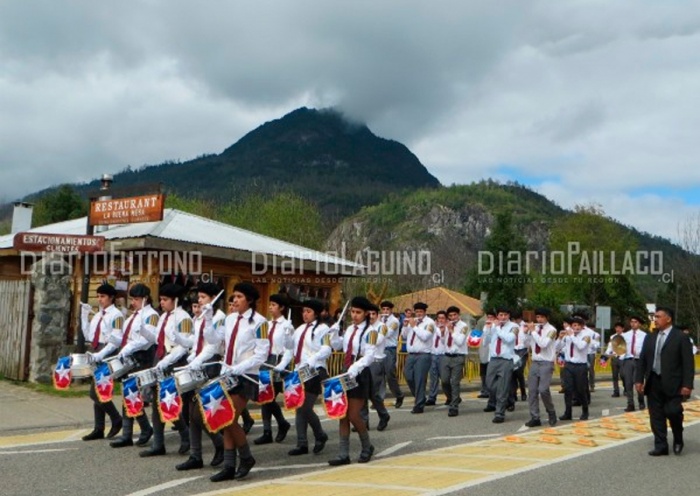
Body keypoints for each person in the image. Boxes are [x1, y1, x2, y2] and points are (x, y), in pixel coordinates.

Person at [205, 282, 269, 481]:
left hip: (247, 375)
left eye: (240, 296)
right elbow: (214, 339)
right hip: (228, 374)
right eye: (234, 297)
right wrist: (208, 318)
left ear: (249, 300)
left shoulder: (260, 322)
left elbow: (262, 354)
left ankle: (246, 457)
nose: (235, 300)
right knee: (225, 419)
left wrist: (239, 368)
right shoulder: (230, 318)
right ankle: (229, 466)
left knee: (229, 418)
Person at [176, 283, 226, 471]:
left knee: (200, 412)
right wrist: (179, 338)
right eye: (199, 297)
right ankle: (195, 455)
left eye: (203, 297)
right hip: (197, 363)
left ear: (213, 298)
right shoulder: (199, 318)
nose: (199, 300)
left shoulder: (220, 318)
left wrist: (196, 361)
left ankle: (220, 443)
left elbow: (213, 345)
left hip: (210, 364)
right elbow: (195, 341)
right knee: (191, 411)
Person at [140, 283, 193, 457]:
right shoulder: (164, 317)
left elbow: (183, 346)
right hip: (160, 358)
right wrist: (143, 330)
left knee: (169, 400)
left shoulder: (184, 318)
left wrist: (167, 361)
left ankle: (185, 434)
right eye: (161, 299)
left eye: (165, 300)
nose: (162, 303)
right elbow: (157, 339)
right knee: (156, 402)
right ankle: (158, 444)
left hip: (174, 361)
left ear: (175, 300)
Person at [635, 306, 694, 456]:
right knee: (656, 415)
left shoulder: (681, 337)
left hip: (673, 383)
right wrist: (639, 380)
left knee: (673, 411)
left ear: (668, 319)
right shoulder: (650, 337)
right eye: (654, 317)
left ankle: (678, 438)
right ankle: (661, 445)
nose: (655, 319)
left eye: (658, 317)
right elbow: (642, 360)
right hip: (653, 381)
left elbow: (688, 363)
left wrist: (687, 385)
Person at [275, 299, 331, 457]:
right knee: (300, 407)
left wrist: (313, 359)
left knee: (305, 407)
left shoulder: (323, 329)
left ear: (316, 313)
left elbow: (327, 349)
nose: (305, 314)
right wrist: (287, 335)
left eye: (308, 311)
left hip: (315, 371)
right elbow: (290, 349)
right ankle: (302, 443)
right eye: (303, 311)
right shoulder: (299, 329)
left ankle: (320, 434)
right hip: (299, 371)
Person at [328, 296, 378, 465]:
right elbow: (338, 346)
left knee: (354, 415)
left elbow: (370, 355)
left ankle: (367, 446)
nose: (355, 315)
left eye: (358, 312)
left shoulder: (371, 332)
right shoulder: (349, 329)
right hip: (346, 371)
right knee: (342, 414)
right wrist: (334, 335)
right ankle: (343, 454)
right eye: (353, 312)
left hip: (360, 373)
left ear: (366, 314)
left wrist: (355, 368)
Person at [110, 283, 158, 448]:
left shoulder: (151, 316)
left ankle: (141, 429)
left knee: (132, 394)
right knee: (128, 394)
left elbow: (147, 340)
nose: (133, 302)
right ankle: (131, 433)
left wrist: (129, 347)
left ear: (145, 299)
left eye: (136, 299)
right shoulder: (133, 316)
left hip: (143, 358)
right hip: (130, 358)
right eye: (132, 299)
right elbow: (126, 338)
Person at [80, 283, 124, 441]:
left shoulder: (116, 315)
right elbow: (88, 336)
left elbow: (116, 341)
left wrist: (101, 355)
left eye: (103, 296)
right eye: (98, 296)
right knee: (97, 390)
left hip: (107, 353)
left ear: (111, 298)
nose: (100, 300)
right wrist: (84, 316)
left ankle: (116, 418)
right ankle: (99, 428)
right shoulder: (98, 315)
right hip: (95, 350)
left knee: (96, 392)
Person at [253, 293, 293, 445]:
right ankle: (268, 431)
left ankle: (282, 423)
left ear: (282, 308)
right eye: (270, 305)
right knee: (264, 396)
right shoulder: (267, 325)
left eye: (274, 305)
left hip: (278, 361)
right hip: (265, 361)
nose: (270, 308)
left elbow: (289, 348)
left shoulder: (286, 326)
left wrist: (282, 364)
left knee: (270, 397)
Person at [523, 307, 558, 427]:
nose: (539, 319)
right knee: (532, 391)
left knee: (543, 390)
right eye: (537, 317)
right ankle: (535, 416)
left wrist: (532, 332)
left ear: (547, 318)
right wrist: (526, 333)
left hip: (546, 363)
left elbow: (543, 344)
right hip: (535, 362)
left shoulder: (552, 330)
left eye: (542, 317)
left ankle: (551, 412)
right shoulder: (535, 329)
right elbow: (526, 344)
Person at [483, 307, 518, 423]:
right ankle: (506, 397)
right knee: (489, 384)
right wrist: (487, 330)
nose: (503, 317)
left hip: (506, 360)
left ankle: (499, 413)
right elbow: (485, 342)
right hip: (493, 359)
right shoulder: (493, 326)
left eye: (505, 315)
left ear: (508, 316)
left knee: (502, 388)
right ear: (497, 316)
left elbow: (509, 339)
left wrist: (497, 328)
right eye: (500, 315)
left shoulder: (514, 327)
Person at [360, 303, 391, 431]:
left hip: (376, 361)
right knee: (362, 393)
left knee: (374, 393)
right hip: (363, 362)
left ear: (378, 315)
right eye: (369, 314)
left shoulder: (382, 327)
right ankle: (363, 421)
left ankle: (383, 415)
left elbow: (377, 341)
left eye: (374, 314)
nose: (371, 316)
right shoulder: (364, 326)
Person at [401, 302, 435, 414]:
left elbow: (425, 337)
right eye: (417, 311)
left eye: (421, 312)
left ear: (425, 312)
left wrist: (414, 326)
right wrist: (405, 326)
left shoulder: (430, 323)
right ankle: (420, 396)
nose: (418, 314)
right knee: (408, 375)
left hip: (423, 354)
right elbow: (404, 336)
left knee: (419, 379)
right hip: (411, 354)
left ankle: (419, 404)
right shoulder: (413, 321)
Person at [556, 316, 591, 421]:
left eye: (578, 325)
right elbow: (557, 348)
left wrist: (571, 335)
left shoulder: (586, 336)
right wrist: (560, 338)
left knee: (580, 390)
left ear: (582, 327)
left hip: (580, 366)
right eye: (573, 325)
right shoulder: (568, 337)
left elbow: (580, 346)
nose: (575, 327)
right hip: (568, 365)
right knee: (568, 390)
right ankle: (568, 412)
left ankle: (585, 411)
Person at [441, 306, 468, 417]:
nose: (452, 317)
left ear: (458, 315)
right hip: (447, 355)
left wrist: (452, 331)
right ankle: (453, 398)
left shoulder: (464, 326)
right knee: (444, 380)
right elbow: (444, 342)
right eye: (450, 316)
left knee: (455, 382)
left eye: (454, 315)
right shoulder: (448, 325)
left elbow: (460, 341)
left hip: (458, 356)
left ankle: (454, 407)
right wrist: (443, 332)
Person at [379, 301, 405, 408]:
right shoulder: (379, 320)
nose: (385, 311)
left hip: (390, 349)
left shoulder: (394, 321)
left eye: (387, 309)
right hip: (380, 348)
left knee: (390, 375)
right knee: (379, 375)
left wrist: (381, 324)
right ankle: (379, 399)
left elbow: (388, 333)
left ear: (391, 310)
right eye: (383, 309)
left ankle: (399, 395)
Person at [621, 315, 647, 412]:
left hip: (638, 360)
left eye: (635, 322)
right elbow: (620, 347)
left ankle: (641, 401)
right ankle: (630, 404)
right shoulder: (625, 335)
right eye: (631, 322)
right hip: (628, 359)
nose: (633, 324)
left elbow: (645, 349)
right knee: (628, 383)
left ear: (639, 324)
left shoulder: (644, 335)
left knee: (638, 382)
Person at [426, 310, 447, 406]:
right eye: (439, 318)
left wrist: (442, 332)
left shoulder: (448, 328)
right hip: (433, 354)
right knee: (433, 378)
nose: (441, 320)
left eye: (443, 318)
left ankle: (450, 396)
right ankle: (432, 397)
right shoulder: (433, 328)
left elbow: (444, 342)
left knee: (445, 379)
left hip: (443, 355)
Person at [602, 322, 626, 398]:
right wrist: (604, 357)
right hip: (614, 357)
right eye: (616, 328)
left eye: (619, 328)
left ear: (622, 329)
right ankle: (616, 391)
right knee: (614, 376)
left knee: (623, 375)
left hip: (623, 358)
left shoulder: (626, 337)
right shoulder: (612, 337)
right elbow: (610, 347)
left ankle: (626, 388)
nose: (618, 329)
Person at [509, 310, 528, 403]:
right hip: (513, 350)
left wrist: (525, 332)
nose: (514, 321)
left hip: (522, 350)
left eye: (516, 319)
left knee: (519, 372)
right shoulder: (511, 326)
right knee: (512, 372)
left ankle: (523, 391)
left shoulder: (525, 326)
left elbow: (525, 341)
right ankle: (513, 393)